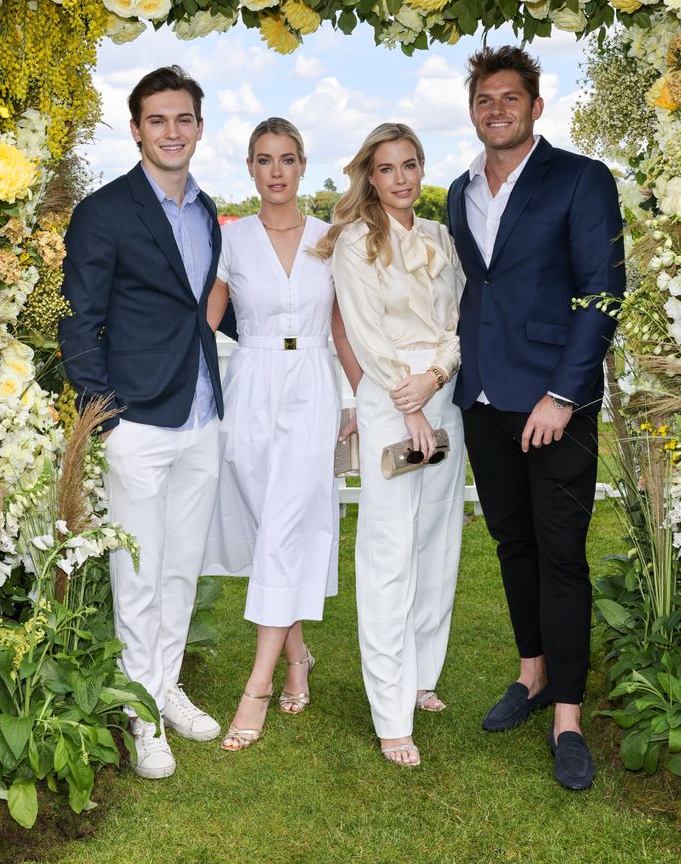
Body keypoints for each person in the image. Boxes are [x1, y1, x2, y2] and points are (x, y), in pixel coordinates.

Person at [447, 45, 625, 791]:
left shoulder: (580, 179)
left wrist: (561, 394)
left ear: (535, 106)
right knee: (511, 544)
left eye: (509, 98)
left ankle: (568, 718)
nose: (496, 109)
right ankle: (530, 676)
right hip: (484, 399)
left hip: (553, 404)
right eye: (484, 99)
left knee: (560, 555)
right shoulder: (458, 191)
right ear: (473, 110)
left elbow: (599, 292)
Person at [60, 65, 228, 780]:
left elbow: (200, 309)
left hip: (200, 413)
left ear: (197, 126)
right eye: (156, 119)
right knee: (139, 569)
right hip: (137, 422)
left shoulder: (207, 209)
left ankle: (163, 683)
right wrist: (107, 418)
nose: (171, 131)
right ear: (136, 129)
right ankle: (141, 711)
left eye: (183, 118)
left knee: (181, 566)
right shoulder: (104, 211)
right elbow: (79, 322)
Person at [204, 118, 361, 752]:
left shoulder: (332, 239)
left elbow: (343, 326)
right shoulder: (231, 241)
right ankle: (299, 655)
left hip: (315, 385)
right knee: (270, 525)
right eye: (264, 160)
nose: (276, 170)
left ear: (302, 166)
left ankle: (259, 685)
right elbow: (203, 325)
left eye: (288, 159)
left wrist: (358, 399)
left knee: (289, 522)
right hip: (250, 386)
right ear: (250, 168)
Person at [317, 122, 466, 768]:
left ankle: (420, 675)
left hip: (441, 394)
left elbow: (459, 320)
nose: (401, 178)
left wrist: (436, 377)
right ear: (369, 176)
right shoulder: (355, 240)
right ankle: (388, 711)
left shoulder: (438, 237)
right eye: (387, 168)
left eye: (410, 164)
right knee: (387, 551)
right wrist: (408, 404)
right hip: (389, 403)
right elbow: (363, 329)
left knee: (437, 541)